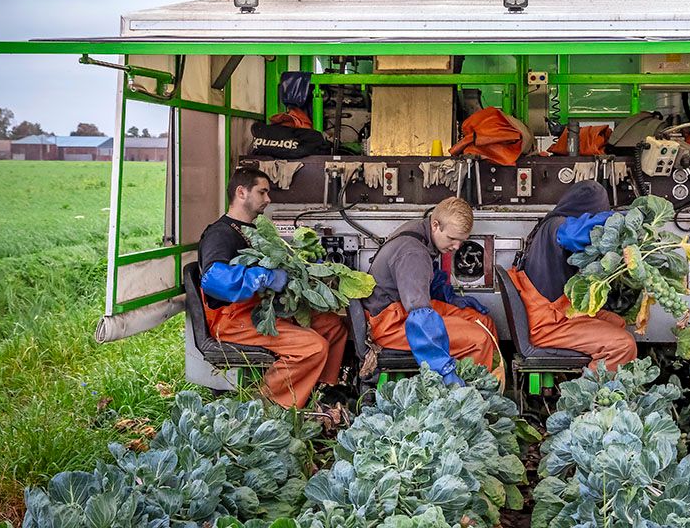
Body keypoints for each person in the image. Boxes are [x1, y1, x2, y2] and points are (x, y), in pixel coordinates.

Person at [198, 166, 348, 408]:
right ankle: (268, 407)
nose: (268, 199)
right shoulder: (220, 233)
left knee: (333, 327)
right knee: (313, 346)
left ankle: (318, 394)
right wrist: (264, 277)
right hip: (233, 318)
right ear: (241, 193)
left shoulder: (254, 230)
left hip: (263, 309)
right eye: (262, 192)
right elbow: (214, 280)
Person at [364, 197, 499, 386]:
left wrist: (450, 298)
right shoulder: (414, 254)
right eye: (452, 239)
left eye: (461, 241)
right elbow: (419, 317)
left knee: (483, 321)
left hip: (403, 309)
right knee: (479, 339)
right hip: (391, 324)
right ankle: (469, 397)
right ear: (436, 225)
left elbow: (427, 281)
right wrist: (444, 369)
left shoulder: (422, 233)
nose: (456, 247)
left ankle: (494, 383)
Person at [508, 181, 638, 371]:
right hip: (548, 325)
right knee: (622, 345)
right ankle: (590, 397)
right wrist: (619, 219)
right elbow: (573, 236)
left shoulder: (547, 225)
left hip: (553, 313)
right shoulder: (557, 226)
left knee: (616, 322)